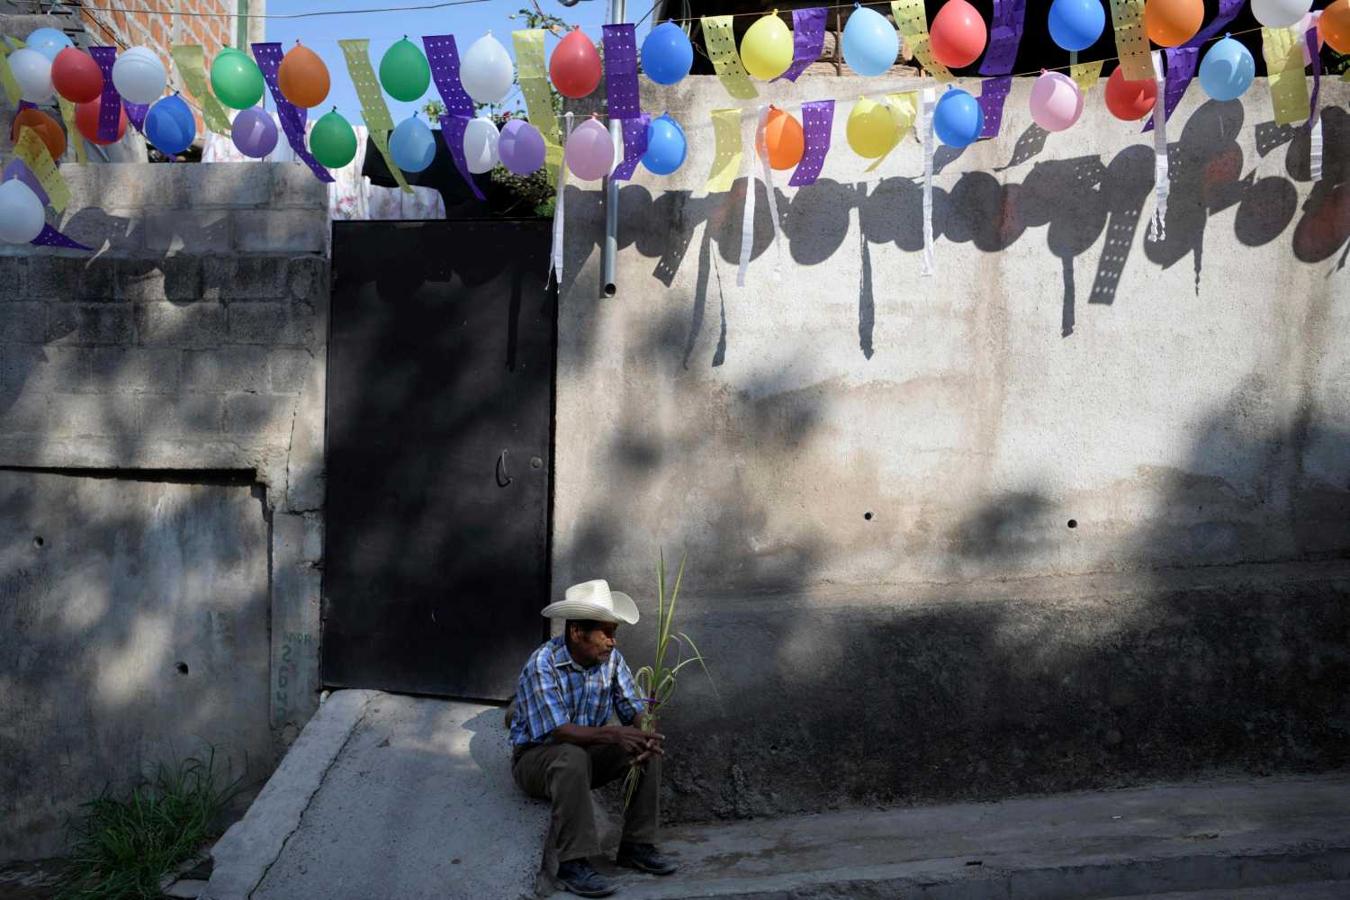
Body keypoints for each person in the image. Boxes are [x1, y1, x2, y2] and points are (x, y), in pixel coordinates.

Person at [509, 579, 678, 897]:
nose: (613, 642)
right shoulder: (543, 663)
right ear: (577, 632)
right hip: (537, 759)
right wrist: (613, 734)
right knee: (570, 756)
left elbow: (632, 706)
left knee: (645, 747)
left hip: (586, 754)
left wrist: (646, 728)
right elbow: (560, 731)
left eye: (614, 632)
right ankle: (573, 864)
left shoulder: (611, 660)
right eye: (606, 633)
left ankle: (637, 845)